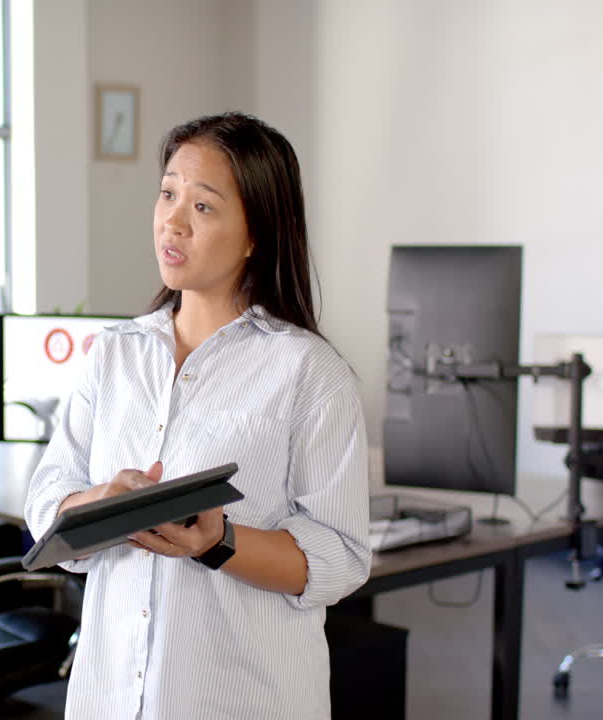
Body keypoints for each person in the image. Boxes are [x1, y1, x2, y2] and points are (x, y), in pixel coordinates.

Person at [24, 112, 371, 719]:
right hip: (109, 700)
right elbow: (47, 498)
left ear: (256, 231)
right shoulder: (114, 354)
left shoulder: (309, 373)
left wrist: (220, 542)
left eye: (204, 207)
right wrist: (101, 503)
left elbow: (341, 557)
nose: (173, 221)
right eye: (167, 193)